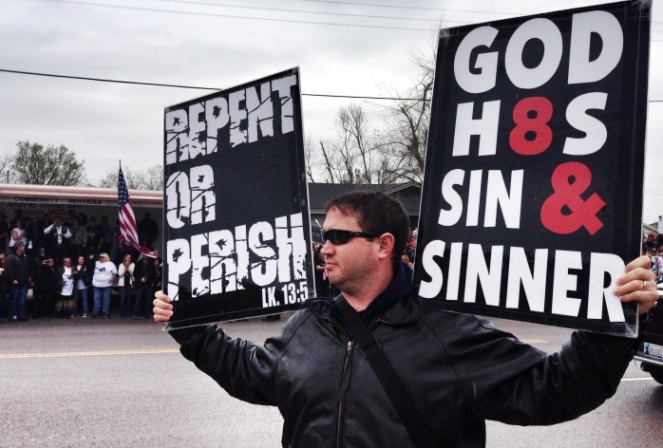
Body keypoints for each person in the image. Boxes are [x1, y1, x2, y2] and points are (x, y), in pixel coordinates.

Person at [152, 190, 658, 447]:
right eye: (322, 235)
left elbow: (553, 389)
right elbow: (253, 373)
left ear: (382, 246)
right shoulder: (310, 324)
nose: (322, 247)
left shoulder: (446, 328)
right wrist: (190, 327)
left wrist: (611, 326)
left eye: (336, 237)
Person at [4, 241, 31, 322]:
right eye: (22, 246)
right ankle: (12, 315)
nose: (23, 248)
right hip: (15, 282)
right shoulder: (11, 257)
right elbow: (8, 270)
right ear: (17, 248)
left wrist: (28, 276)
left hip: (23, 281)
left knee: (22, 300)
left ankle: (21, 315)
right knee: (13, 299)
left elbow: (26, 268)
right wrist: (12, 279)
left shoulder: (24, 257)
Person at [91, 252, 117, 318]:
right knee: (96, 298)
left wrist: (112, 278)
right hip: (97, 284)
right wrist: (91, 259)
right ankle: (95, 313)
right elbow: (90, 268)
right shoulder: (96, 263)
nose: (100, 258)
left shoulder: (110, 264)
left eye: (102, 257)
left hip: (106, 285)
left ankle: (106, 312)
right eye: (100, 257)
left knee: (106, 299)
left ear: (106, 257)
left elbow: (115, 272)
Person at [117, 253, 135, 318]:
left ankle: (129, 313)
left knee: (129, 298)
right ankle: (122, 313)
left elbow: (133, 274)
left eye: (129, 257)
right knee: (122, 298)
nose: (128, 258)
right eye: (127, 257)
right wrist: (125, 267)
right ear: (124, 258)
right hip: (122, 284)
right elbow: (120, 274)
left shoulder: (132, 265)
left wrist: (128, 267)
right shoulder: (121, 265)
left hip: (129, 284)